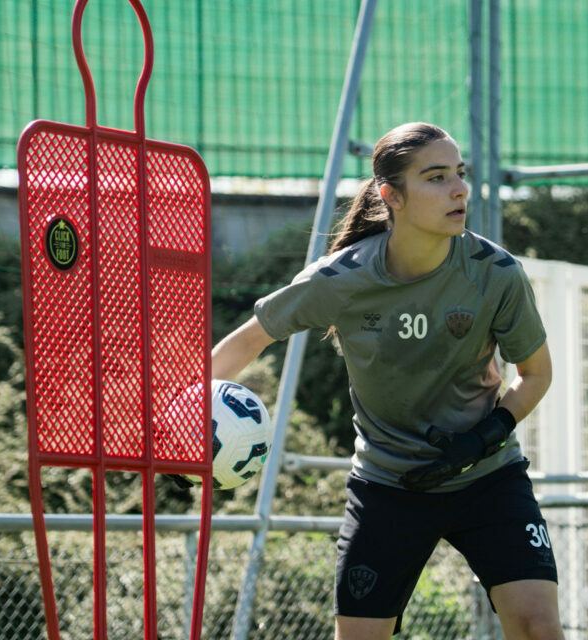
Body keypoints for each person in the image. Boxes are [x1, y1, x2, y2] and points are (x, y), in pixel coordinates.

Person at [209, 122, 563, 640]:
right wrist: (180, 430)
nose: (459, 189)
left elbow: (536, 375)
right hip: (388, 487)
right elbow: (245, 342)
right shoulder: (342, 278)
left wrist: (484, 435)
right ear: (390, 195)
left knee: (537, 626)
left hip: (487, 478)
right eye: (436, 177)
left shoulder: (496, 274)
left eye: (459, 174)